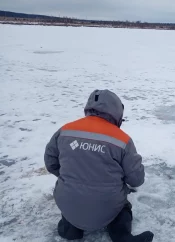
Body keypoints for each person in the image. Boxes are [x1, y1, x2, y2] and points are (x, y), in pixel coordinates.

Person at [44, 89, 154, 242]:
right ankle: (121, 235)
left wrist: (70, 176)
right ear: (116, 112)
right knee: (123, 207)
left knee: (71, 197)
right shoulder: (122, 140)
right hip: (108, 206)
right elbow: (136, 180)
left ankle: (71, 229)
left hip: (68, 203)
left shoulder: (65, 130)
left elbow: (51, 163)